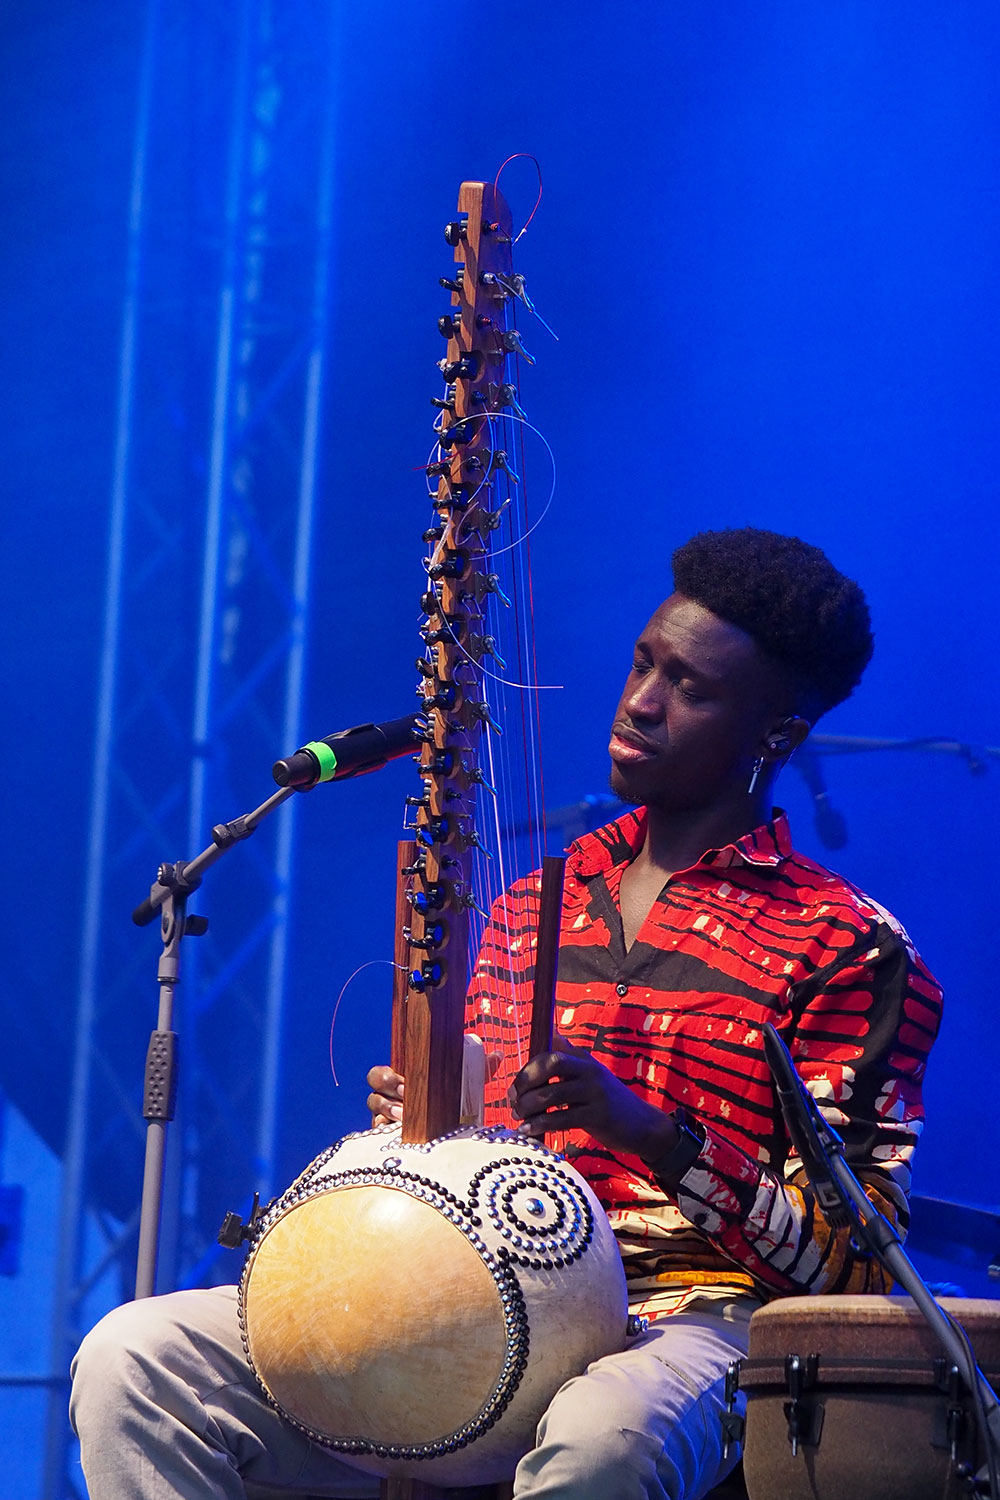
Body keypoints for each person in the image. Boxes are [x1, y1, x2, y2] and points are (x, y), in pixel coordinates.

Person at [71, 527, 942, 1500]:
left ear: (775, 734)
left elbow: (853, 1271)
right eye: (642, 664)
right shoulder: (533, 901)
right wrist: (429, 1121)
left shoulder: (846, 946)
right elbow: (483, 1156)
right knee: (134, 1358)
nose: (641, 704)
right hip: (482, 1301)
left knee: (599, 1442)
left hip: (691, 1321)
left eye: (690, 689)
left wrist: (649, 1133)